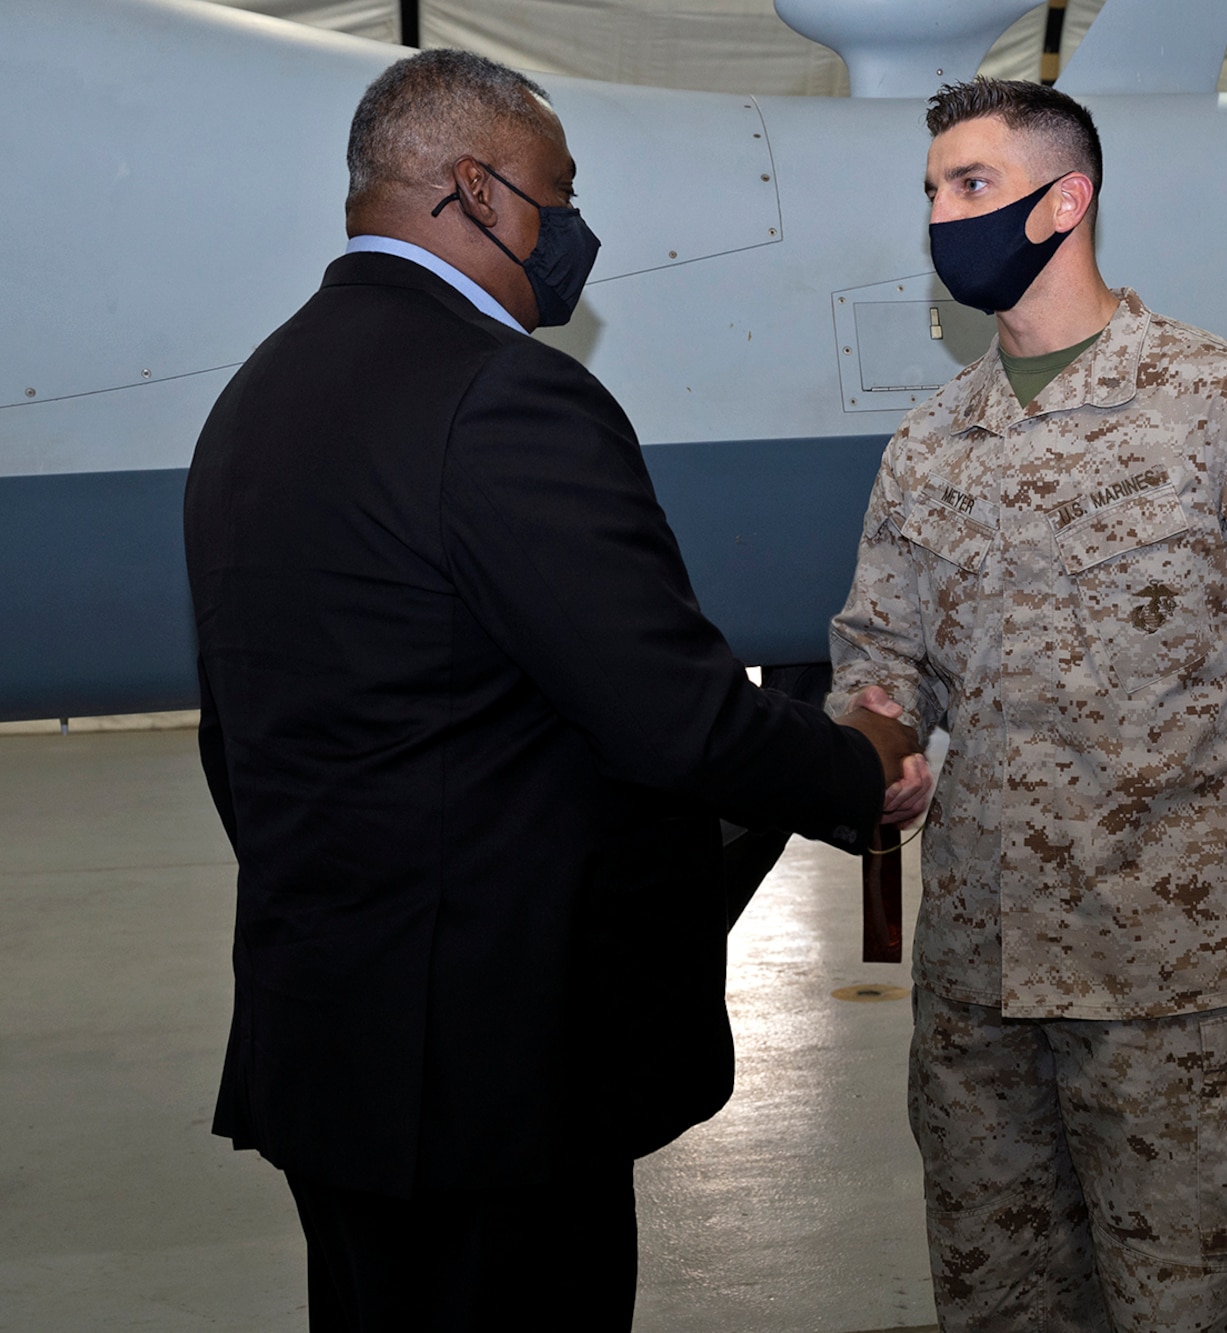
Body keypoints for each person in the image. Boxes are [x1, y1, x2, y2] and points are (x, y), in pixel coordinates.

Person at [183, 49, 927, 1330]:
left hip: (338, 1038)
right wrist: (856, 765)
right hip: (495, 1069)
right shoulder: (505, 398)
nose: (576, 232)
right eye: (557, 194)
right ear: (474, 189)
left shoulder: (261, 395)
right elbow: (668, 711)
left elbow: (235, 736)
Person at [830, 78, 1227, 1332]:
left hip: (1167, 971)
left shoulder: (1225, 408)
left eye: (971, 186)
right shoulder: (932, 443)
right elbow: (881, 649)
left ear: (1065, 199)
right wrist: (873, 741)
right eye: (930, 191)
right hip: (977, 973)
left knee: (1174, 1304)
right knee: (994, 1301)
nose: (941, 214)